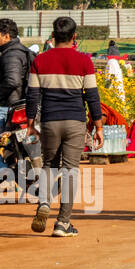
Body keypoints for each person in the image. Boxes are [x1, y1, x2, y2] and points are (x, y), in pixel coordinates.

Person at [26, 17, 103, 237]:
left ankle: (43, 204)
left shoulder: (40, 60)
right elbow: (92, 97)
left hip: (50, 121)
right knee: (70, 171)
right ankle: (63, 223)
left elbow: (32, 95)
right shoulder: (84, 61)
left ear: (53, 36)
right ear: (74, 37)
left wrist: (31, 123)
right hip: (75, 122)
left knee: (50, 164)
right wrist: (98, 126)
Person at [0, 18, 34, 128]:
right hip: (18, 106)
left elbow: (12, 81)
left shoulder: (11, 54)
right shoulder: (22, 50)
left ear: (6, 36)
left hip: (8, 108)